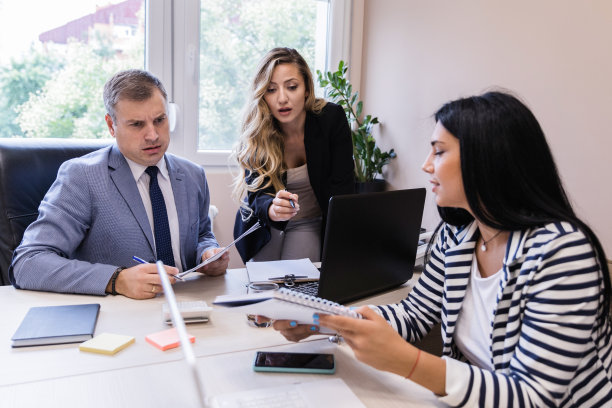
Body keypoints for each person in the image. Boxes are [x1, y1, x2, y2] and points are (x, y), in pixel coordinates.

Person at [273, 91, 612, 406]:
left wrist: (409, 362)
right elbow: (414, 315)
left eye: (439, 151)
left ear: (485, 160)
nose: (426, 165)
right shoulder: (458, 235)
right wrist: (320, 321)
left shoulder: (563, 253)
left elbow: (533, 397)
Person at [10, 69, 229, 299]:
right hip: (117, 320)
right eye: (137, 124)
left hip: (189, 308)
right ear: (111, 125)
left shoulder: (193, 175)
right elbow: (27, 263)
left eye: (159, 120)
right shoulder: (82, 177)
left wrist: (207, 256)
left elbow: (202, 234)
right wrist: (116, 280)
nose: (153, 135)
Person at [232, 47, 354, 263]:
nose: (282, 98)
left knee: (297, 286)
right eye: (271, 90)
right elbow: (256, 195)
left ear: (306, 88)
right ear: (263, 95)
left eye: (291, 87)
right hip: (266, 224)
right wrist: (271, 209)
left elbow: (343, 188)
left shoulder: (331, 119)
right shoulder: (257, 128)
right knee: (264, 285)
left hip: (310, 221)